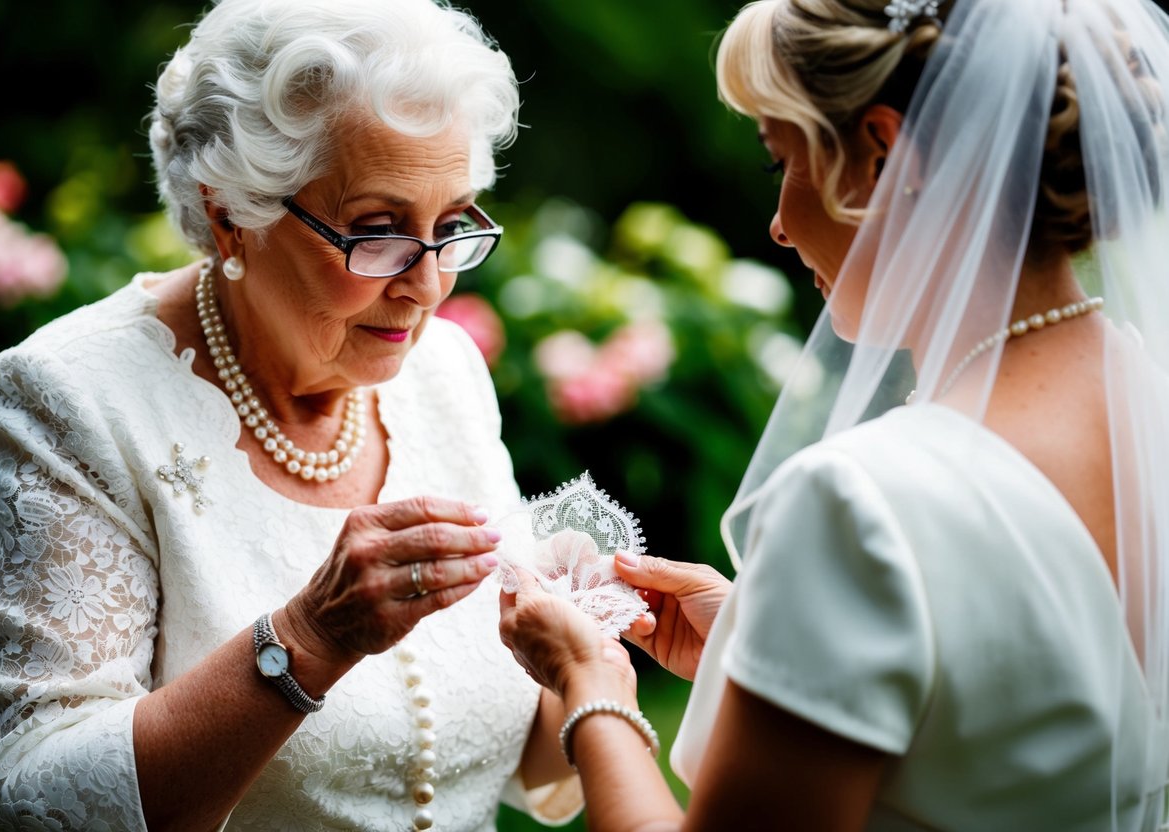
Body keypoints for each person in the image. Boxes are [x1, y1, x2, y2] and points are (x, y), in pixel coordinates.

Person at [498, 0, 1169, 828]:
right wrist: (767, 641)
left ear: (881, 156)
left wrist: (588, 684)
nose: (777, 225)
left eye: (782, 156)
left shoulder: (855, 504)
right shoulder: (1146, 398)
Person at [0, 0, 584, 829]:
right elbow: (31, 793)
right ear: (232, 216)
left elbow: (513, 749)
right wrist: (306, 643)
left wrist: (585, 645)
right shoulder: (67, 399)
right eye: (379, 231)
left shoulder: (444, 372)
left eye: (451, 225)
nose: (427, 287)